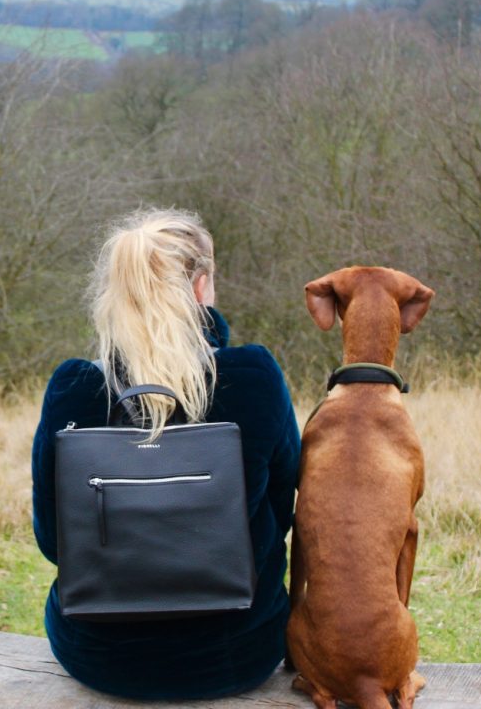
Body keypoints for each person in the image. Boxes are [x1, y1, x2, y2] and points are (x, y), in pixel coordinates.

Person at [31, 208, 301, 700]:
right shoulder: (255, 377)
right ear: (202, 288)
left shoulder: (73, 388)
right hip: (237, 653)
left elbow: (53, 541)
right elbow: (279, 517)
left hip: (97, 656)